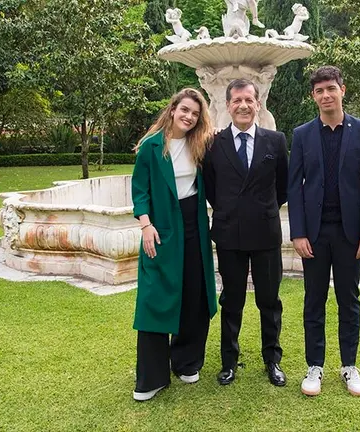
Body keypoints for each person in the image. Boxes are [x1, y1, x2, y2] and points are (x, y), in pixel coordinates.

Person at [287, 66, 360, 397]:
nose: (326, 95)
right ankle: (315, 366)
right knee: (314, 299)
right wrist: (298, 233)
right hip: (313, 234)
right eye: (319, 91)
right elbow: (294, 188)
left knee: (348, 298)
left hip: (350, 234)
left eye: (331, 88)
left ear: (343, 89)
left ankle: (349, 366)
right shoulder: (301, 135)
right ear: (313, 96)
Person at [130, 88, 218, 401]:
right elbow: (140, 190)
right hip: (161, 226)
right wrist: (146, 225)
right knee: (156, 297)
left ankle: (186, 361)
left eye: (195, 113)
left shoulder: (201, 144)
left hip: (193, 223)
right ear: (172, 109)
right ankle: (152, 377)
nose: (189, 117)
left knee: (194, 292)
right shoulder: (151, 147)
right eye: (184, 110)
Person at [203, 79, 289, 387]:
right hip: (229, 234)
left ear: (258, 104)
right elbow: (211, 188)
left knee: (270, 300)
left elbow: (283, 186)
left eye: (249, 100)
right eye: (237, 100)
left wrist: (262, 208)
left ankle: (272, 360)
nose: (243, 105)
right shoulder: (213, 144)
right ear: (228, 105)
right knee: (232, 300)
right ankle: (229, 361)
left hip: (266, 233)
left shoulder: (275, 141)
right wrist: (230, 209)